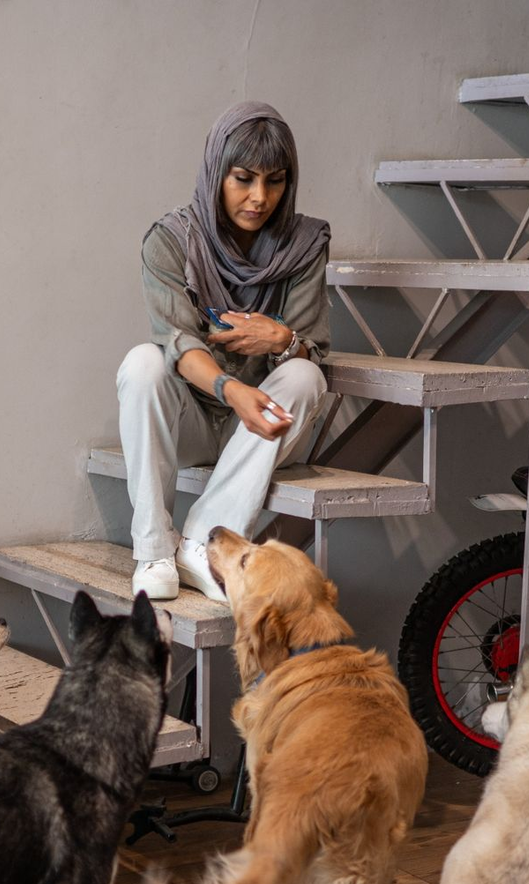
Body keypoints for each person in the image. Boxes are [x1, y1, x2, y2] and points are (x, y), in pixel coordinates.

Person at [117, 101, 331, 602]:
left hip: (257, 430)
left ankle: (202, 543)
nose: (260, 198)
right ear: (216, 173)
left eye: (275, 181)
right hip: (195, 417)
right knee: (143, 362)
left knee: (304, 377)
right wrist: (230, 387)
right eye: (243, 179)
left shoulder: (304, 243)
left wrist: (284, 340)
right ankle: (152, 549)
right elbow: (179, 343)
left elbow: (312, 348)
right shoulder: (170, 241)